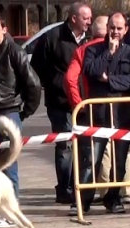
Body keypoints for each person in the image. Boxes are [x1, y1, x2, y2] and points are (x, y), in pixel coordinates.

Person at [0, 11, 41, 228]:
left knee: (9, 162)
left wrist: (23, 112)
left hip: (8, 110)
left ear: (4, 30)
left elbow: (33, 84)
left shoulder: (15, 51)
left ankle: (11, 211)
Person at [31, 2, 92, 204]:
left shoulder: (89, 40)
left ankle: (79, 187)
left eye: (90, 18)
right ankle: (64, 189)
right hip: (59, 102)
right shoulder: (52, 37)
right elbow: (36, 66)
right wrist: (55, 82)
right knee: (65, 146)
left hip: (83, 102)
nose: (89, 22)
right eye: (85, 18)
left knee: (83, 145)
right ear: (74, 18)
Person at [73, 12, 130, 215]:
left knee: (119, 162)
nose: (115, 32)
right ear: (107, 28)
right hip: (98, 116)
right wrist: (108, 54)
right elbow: (91, 70)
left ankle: (113, 199)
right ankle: (83, 201)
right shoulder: (94, 50)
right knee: (92, 160)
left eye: (119, 28)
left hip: (122, 116)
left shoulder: (129, 53)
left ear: (126, 30)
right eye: (112, 27)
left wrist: (109, 80)